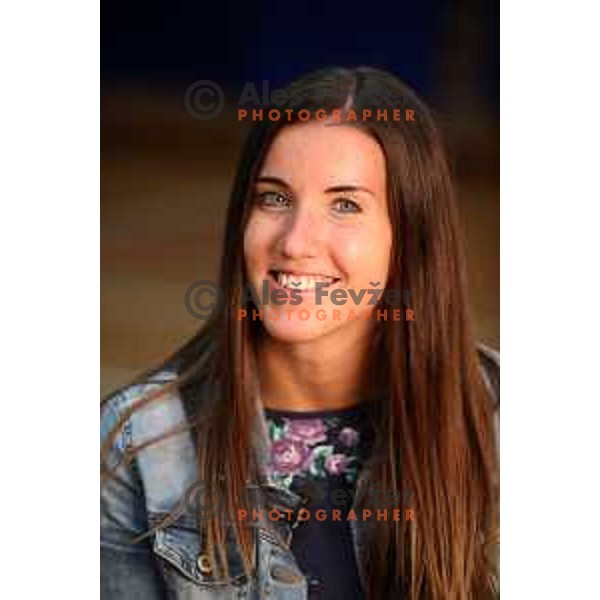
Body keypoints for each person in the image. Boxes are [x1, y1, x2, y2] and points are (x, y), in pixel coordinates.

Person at [101, 66, 500, 599]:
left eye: (345, 204)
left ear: (411, 237)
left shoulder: (497, 419)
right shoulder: (138, 443)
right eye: (275, 198)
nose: (295, 241)